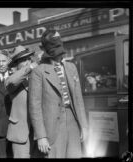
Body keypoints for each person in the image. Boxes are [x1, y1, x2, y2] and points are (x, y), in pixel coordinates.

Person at [29, 29, 88, 158]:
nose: (60, 56)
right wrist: (41, 136)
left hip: (73, 121)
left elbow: (78, 100)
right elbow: (35, 106)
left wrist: (84, 125)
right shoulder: (39, 72)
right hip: (52, 127)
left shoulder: (71, 67)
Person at [5, 45, 37, 158]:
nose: (27, 62)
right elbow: (12, 82)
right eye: (23, 60)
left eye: (29, 59)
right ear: (16, 65)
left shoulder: (36, 76)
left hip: (38, 131)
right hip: (21, 132)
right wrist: (30, 67)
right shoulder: (12, 79)